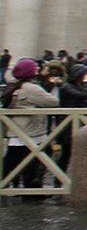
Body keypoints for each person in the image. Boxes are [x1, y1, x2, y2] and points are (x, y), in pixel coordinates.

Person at [3, 59, 56, 194]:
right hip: (31, 130)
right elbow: (53, 102)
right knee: (35, 159)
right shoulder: (31, 88)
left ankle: (11, 184)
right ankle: (31, 189)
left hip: (16, 129)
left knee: (12, 159)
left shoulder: (13, 85)